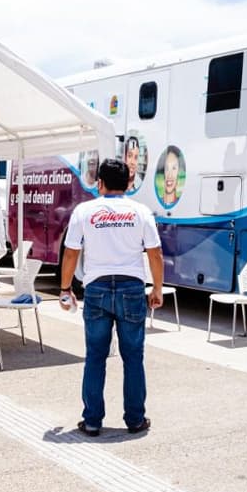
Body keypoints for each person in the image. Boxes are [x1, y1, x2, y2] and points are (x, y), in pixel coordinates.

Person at [60, 158, 163, 437]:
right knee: (133, 357)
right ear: (129, 183)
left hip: (97, 289)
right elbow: (155, 253)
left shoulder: (84, 211)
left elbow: (71, 253)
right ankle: (135, 419)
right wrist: (157, 289)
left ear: (100, 183)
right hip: (131, 289)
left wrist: (65, 288)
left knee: (95, 356)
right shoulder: (141, 212)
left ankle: (92, 421)